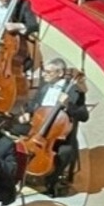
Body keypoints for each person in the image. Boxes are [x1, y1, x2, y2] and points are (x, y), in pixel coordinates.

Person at [14, 58, 88, 195]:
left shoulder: (74, 91)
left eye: (48, 72)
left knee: (65, 152)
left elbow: (84, 116)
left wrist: (68, 105)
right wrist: (28, 114)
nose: (43, 75)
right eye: (44, 71)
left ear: (59, 73)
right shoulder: (45, 86)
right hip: (38, 129)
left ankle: (50, 182)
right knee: (11, 128)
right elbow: (33, 105)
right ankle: (16, 170)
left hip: (59, 135)